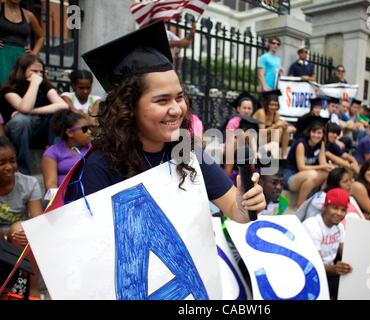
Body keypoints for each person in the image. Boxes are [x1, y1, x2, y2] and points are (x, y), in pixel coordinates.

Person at [62, 22, 265, 225]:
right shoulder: (101, 165)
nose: (177, 109)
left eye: (179, 97)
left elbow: (234, 209)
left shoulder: (188, 150)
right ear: (128, 107)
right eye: (162, 100)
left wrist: (244, 206)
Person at [1, 53, 68, 174]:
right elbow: (25, 107)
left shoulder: (45, 87)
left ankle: (59, 160)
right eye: (34, 71)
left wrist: (33, 111)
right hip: (18, 133)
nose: (38, 75)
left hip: (39, 132)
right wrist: (34, 84)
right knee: (22, 119)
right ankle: (23, 171)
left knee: (59, 115)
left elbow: (63, 106)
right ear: (22, 70)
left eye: (41, 72)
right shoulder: (9, 89)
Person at [0, 136, 43, 298]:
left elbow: (37, 221)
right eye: (1, 163)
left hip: (17, 236)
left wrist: (25, 232)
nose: (9, 167)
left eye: (12, 161)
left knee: (24, 231)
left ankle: (32, 290)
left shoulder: (28, 183)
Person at [302, 188, 352, 300]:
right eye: (335, 208)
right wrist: (336, 269)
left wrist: (351, 264)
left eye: (343, 210)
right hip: (310, 275)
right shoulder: (312, 226)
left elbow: (344, 251)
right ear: (325, 207)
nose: (339, 213)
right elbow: (315, 266)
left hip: (328, 272)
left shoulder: (339, 226)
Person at [284, 116, 331, 208]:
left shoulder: (321, 144)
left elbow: (323, 164)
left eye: (319, 133)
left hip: (307, 177)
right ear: (309, 132)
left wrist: (328, 166)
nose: (316, 135)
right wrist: (322, 167)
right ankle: (300, 205)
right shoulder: (301, 144)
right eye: (314, 132)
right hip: (291, 176)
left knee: (327, 174)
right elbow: (301, 167)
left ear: (323, 135)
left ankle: (301, 205)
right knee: (312, 175)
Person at [41, 110, 91, 191]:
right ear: (70, 132)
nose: (89, 132)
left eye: (89, 128)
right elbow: (50, 185)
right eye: (85, 129)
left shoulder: (93, 150)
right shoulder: (52, 153)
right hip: (66, 201)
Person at [0, 0, 44, 84]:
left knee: (19, 87)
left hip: (21, 58)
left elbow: (41, 36)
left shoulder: (28, 15)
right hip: (2, 54)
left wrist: (33, 54)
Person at [253, 90, 296, 159]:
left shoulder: (276, 114)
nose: (274, 107)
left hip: (267, 140)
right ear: (267, 104)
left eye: (276, 105)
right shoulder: (261, 112)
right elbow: (262, 132)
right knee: (278, 130)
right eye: (271, 105)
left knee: (285, 129)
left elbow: (280, 125)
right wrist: (276, 125)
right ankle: (272, 155)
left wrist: (287, 126)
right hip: (255, 139)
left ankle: (283, 156)